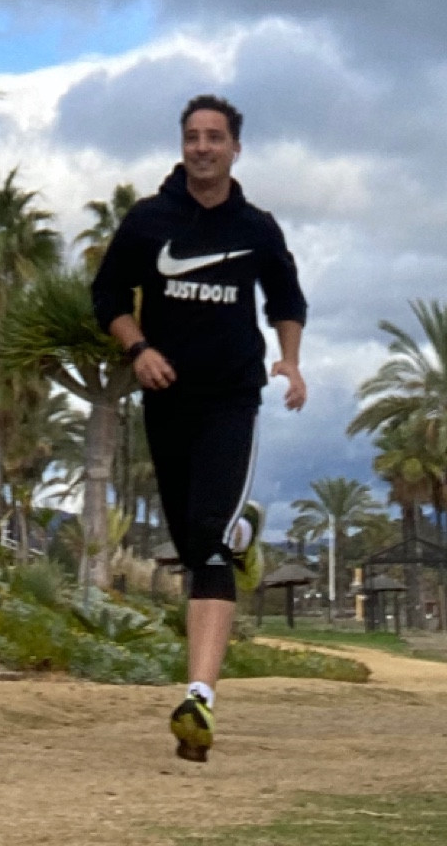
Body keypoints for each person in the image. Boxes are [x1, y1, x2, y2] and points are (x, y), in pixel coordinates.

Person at [90, 93, 308, 763]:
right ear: (182, 146)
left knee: (207, 546)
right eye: (192, 136)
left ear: (235, 148)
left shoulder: (256, 228)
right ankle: (242, 534)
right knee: (194, 544)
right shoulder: (148, 221)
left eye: (215, 137)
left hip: (231, 399)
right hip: (166, 400)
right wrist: (138, 349)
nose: (203, 147)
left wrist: (290, 361)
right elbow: (106, 296)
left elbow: (287, 299)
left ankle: (198, 699)